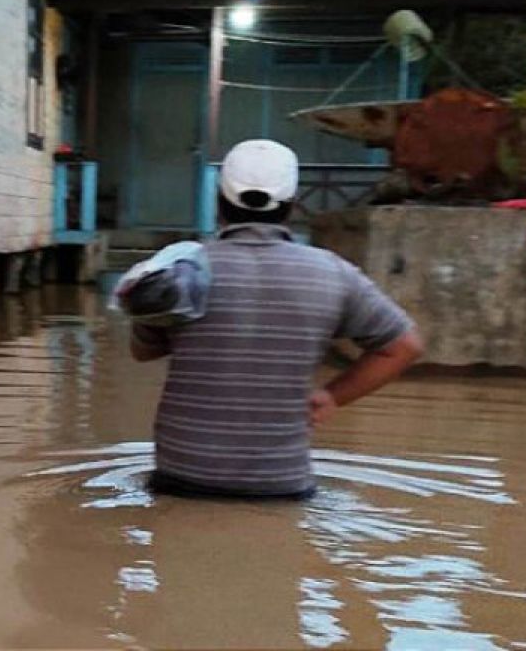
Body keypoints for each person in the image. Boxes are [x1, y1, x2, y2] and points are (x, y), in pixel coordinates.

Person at [131, 140, 423, 499]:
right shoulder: (333, 273)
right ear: (291, 205)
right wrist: (332, 396)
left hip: (182, 480)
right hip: (280, 485)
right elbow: (404, 346)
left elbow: (142, 352)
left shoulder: (183, 271)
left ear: (220, 203)